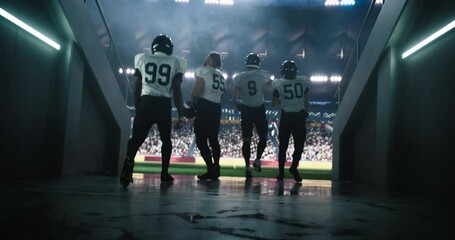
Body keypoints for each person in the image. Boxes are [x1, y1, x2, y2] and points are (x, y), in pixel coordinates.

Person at [120, 34, 186, 187]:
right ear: (169, 48)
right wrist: (181, 113)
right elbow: (176, 90)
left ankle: (127, 168)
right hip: (163, 103)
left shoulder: (142, 58)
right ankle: (164, 173)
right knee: (166, 140)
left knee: (136, 139)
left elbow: (137, 87)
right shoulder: (176, 61)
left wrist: (138, 108)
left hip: (146, 101)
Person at [232, 53, 272, 179]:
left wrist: (238, 106)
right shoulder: (263, 74)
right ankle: (258, 159)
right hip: (259, 108)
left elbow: (234, 98)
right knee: (264, 137)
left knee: (247, 140)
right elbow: (273, 86)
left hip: (246, 109)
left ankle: (247, 167)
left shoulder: (239, 77)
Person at [271, 60, 310, 182]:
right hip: (299, 116)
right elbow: (305, 98)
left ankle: (281, 173)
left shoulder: (279, 84)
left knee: (283, 146)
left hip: (287, 117)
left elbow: (274, 103)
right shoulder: (302, 81)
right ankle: (293, 167)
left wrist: (283, 99)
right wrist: (305, 111)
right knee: (299, 146)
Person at [190, 51, 226, 181]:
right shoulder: (221, 75)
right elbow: (223, 96)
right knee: (214, 140)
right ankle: (216, 167)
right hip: (216, 108)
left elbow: (194, 93)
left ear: (210, 59)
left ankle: (211, 169)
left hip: (205, 106)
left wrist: (194, 103)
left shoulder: (203, 71)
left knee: (201, 140)